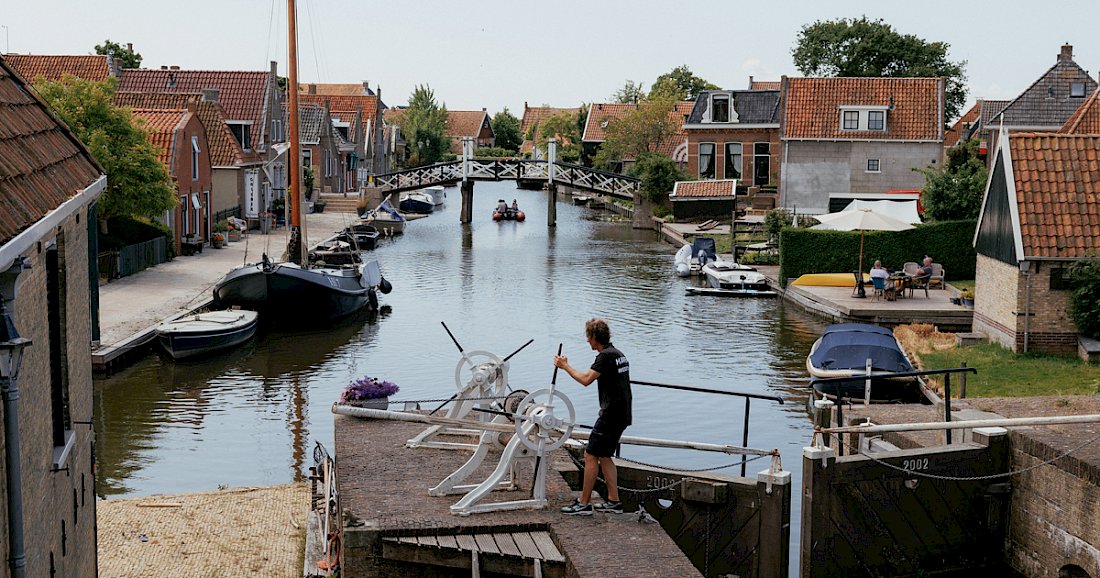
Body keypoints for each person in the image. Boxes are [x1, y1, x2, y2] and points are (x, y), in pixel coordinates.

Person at [555, 319, 631, 516]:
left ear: (595, 338)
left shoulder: (605, 356)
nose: (587, 341)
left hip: (610, 415)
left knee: (590, 455)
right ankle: (614, 501)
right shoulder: (619, 355)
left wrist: (565, 366)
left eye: (588, 337)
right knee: (604, 456)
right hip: (622, 414)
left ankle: (584, 503)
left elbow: (586, 380)